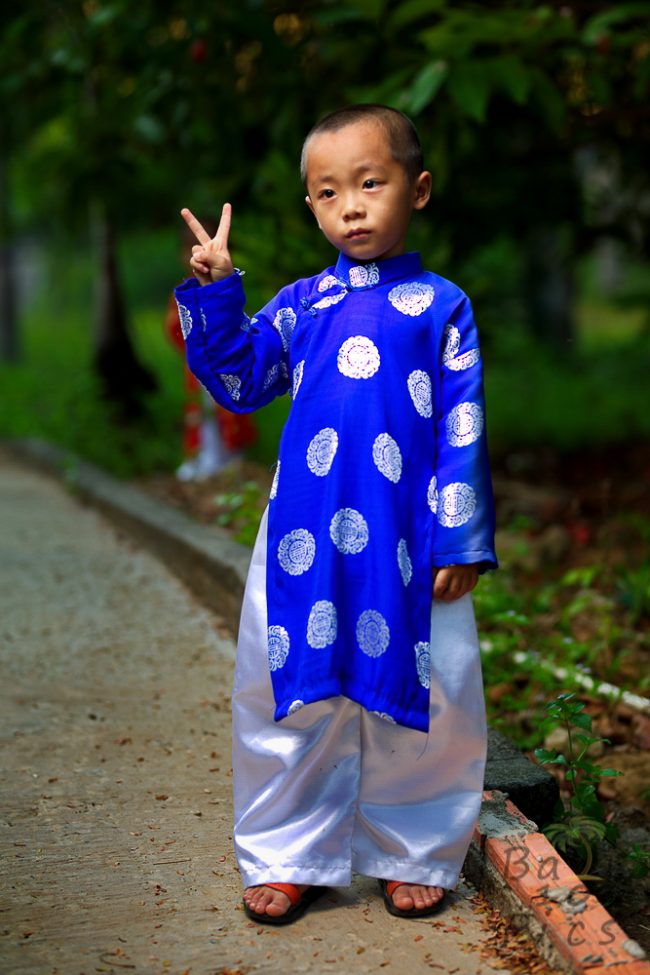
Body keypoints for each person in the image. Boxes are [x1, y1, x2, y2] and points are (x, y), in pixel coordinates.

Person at [175, 104, 497, 925]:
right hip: (302, 536)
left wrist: (459, 536)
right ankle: (289, 852)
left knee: (431, 693)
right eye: (328, 192)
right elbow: (243, 381)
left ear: (416, 190)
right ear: (311, 206)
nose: (350, 205)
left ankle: (412, 848)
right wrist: (216, 295)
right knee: (290, 691)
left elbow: (462, 427)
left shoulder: (443, 308)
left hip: (412, 536)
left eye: (369, 182)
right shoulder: (302, 304)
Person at [164, 223, 256, 481]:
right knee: (202, 414)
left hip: (227, 360)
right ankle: (204, 458)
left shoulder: (227, 288)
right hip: (198, 368)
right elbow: (173, 329)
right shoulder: (184, 292)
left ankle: (231, 459)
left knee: (229, 404)